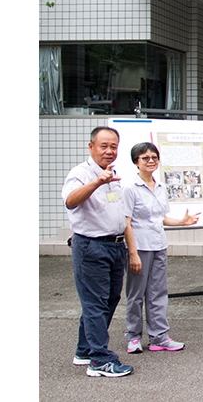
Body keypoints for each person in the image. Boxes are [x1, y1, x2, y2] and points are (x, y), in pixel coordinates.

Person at [63, 126, 133, 377]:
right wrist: (96, 182)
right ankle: (99, 360)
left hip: (114, 246)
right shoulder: (81, 173)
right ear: (91, 147)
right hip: (91, 247)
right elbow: (71, 200)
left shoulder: (113, 174)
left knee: (110, 299)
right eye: (103, 146)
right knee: (95, 303)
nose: (109, 151)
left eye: (113, 146)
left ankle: (84, 350)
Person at [122, 142, 199, 355]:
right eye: (145, 157)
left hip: (158, 245)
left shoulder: (161, 186)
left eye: (154, 157)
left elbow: (161, 218)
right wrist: (133, 253)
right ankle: (133, 337)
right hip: (140, 247)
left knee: (158, 293)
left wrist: (183, 222)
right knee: (136, 294)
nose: (150, 161)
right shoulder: (130, 188)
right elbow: (126, 222)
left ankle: (159, 337)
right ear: (136, 161)